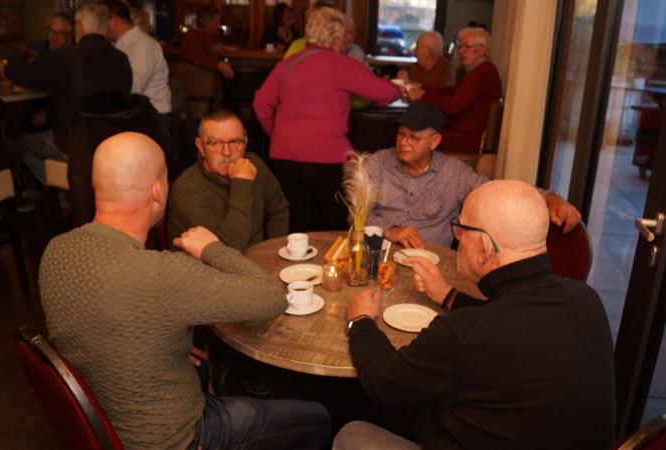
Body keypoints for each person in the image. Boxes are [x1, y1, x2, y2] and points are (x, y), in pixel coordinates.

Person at [39, 131, 331, 450]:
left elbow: (97, 321)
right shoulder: (162, 272)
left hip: (105, 424)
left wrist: (164, 344)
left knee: (202, 367)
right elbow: (271, 298)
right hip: (176, 439)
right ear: (158, 190)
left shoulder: (55, 251)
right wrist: (212, 248)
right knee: (318, 417)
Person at [335, 180, 616, 450]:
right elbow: (509, 319)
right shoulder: (587, 299)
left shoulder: (462, 334)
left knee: (352, 433)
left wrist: (360, 321)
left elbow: (382, 382)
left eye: (461, 228)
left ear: (485, 247)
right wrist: (448, 295)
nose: (457, 236)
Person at [254, 5, 401, 232]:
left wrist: (278, 134)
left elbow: (261, 104)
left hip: (284, 157)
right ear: (336, 36)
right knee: (333, 225)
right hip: (326, 159)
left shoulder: (288, 64)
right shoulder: (340, 64)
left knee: (299, 224)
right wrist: (401, 88)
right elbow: (385, 93)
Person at [366, 100, 581, 249]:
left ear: (434, 141)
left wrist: (550, 198)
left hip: (429, 262)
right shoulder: (378, 162)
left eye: (413, 137)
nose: (403, 142)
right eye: (400, 134)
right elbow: (357, 214)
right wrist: (390, 230)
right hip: (377, 253)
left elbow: (498, 192)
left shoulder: (453, 172)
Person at [5, 2, 132, 185]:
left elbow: (14, 72)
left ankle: (67, 190)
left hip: (74, 144)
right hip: (114, 143)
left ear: (78, 27)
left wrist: (24, 54)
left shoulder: (64, 57)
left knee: (22, 143)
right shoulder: (121, 59)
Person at [168, 108, 289, 252]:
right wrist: (242, 184)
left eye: (235, 142)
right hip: (206, 265)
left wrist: (272, 251)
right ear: (200, 147)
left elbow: (278, 210)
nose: (226, 152)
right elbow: (226, 251)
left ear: (245, 143)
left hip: (258, 259)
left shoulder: (254, 164)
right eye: (215, 143)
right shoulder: (187, 189)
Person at [409, 27, 501, 154]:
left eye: (466, 47)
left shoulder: (482, 73)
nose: (461, 51)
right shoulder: (480, 69)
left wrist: (424, 95)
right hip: (464, 133)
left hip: (470, 139)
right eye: (460, 46)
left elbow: (453, 106)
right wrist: (422, 87)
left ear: (482, 50)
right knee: (415, 129)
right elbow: (452, 91)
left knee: (416, 135)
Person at [106, 0, 172, 115]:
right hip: (137, 113)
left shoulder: (144, 45)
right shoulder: (120, 44)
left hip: (153, 116)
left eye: (101, 21)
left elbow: (133, 87)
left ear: (114, 22)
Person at [182, 5, 235, 80]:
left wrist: (217, 49)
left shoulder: (207, 35)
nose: (219, 24)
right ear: (209, 21)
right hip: (200, 82)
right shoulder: (197, 35)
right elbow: (194, 55)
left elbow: (203, 51)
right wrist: (219, 65)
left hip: (206, 80)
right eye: (217, 21)